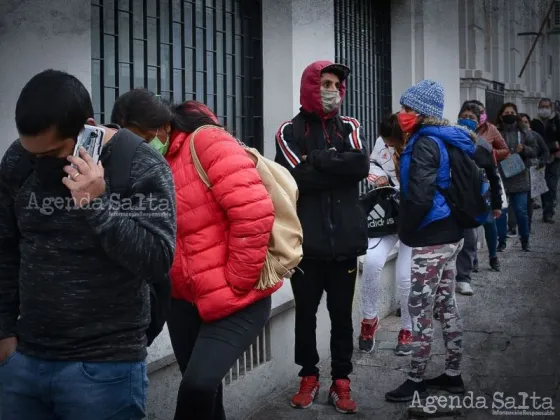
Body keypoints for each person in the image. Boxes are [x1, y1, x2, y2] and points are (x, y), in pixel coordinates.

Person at [0, 71, 176, 420]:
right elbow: (5, 248)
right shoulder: (20, 161)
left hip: (104, 368)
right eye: (33, 153)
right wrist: (4, 332)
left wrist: (97, 203)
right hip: (24, 360)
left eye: (52, 153)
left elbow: (157, 260)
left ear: (87, 128)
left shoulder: (140, 165)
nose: (41, 163)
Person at [114, 92, 278, 420]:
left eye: (143, 138)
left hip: (236, 300)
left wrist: (236, 281)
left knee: (197, 387)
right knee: (206, 395)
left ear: (161, 128)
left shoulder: (206, 142)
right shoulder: (143, 163)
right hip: (183, 300)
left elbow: (254, 212)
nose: (138, 147)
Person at [275, 60, 369, 413]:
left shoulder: (352, 126)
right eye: (324, 83)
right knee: (306, 316)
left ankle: (341, 380)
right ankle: (309, 375)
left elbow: (360, 166)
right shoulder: (288, 130)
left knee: (342, 317)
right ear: (310, 86)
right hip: (305, 247)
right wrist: (336, 164)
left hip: (345, 244)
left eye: (336, 84)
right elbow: (295, 179)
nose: (331, 90)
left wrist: (315, 159)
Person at [385, 79, 468, 402]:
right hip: (451, 234)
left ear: (421, 112)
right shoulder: (447, 138)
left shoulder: (423, 143)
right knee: (446, 305)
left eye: (407, 109)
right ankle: (452, 375)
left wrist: (407, 231)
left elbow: (418, 197)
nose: (401, 114)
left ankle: (416, 379)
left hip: (431, 237)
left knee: (419, 309)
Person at [358, 114, 413, 356]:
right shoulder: (383, 143)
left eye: (392, 141)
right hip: (388, 214)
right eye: (385, 141)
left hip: (414, 220)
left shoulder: (420, 144)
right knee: (371, 261)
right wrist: (377, 176)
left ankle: (408, 328)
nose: (388, 145)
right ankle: (369, 319)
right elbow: (372, 163)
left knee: (405, 277)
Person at [456, 103, 503, 285]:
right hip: (451, 199)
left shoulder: (483, 147)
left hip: (473, 202)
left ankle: (464, 278)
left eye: (471, 118)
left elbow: (493, 177)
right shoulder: (448, 140)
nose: (467, 121)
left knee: (470, 239)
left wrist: (497, 204)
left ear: (478, 124)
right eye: (464, 116)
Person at [465, 100, 509, 271]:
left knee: (489, 223)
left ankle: (493, 256)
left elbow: (503, 152)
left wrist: (489, 153)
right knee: (471, 227)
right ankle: (473, 258)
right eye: (466, 115)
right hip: (467, 190)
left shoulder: (490, 131)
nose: (470, 118)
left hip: (485, 187)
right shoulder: (457, 134)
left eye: (476, 114)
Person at [495, 103, 538, 252]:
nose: (509, 114)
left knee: (521, 210)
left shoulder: (525, 132)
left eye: (512, 112)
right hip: (501, 177)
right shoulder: (496, 132)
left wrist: (524, 149)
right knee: (501, 212)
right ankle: (501, 241)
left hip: (520, 176)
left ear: (516, 114)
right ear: (501, 115)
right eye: (506, 112)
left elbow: (535, 150)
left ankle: (525, 239)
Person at [530, 98, 560, 224]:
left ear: (551, 108)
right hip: (540, 158)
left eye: (547, 106)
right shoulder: (534, 122)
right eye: (542, 106)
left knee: (552, 186)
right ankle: (545, 209)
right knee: (542, 186)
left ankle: (549, 212)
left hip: (555, 158)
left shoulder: (557, 121)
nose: (544, 109)